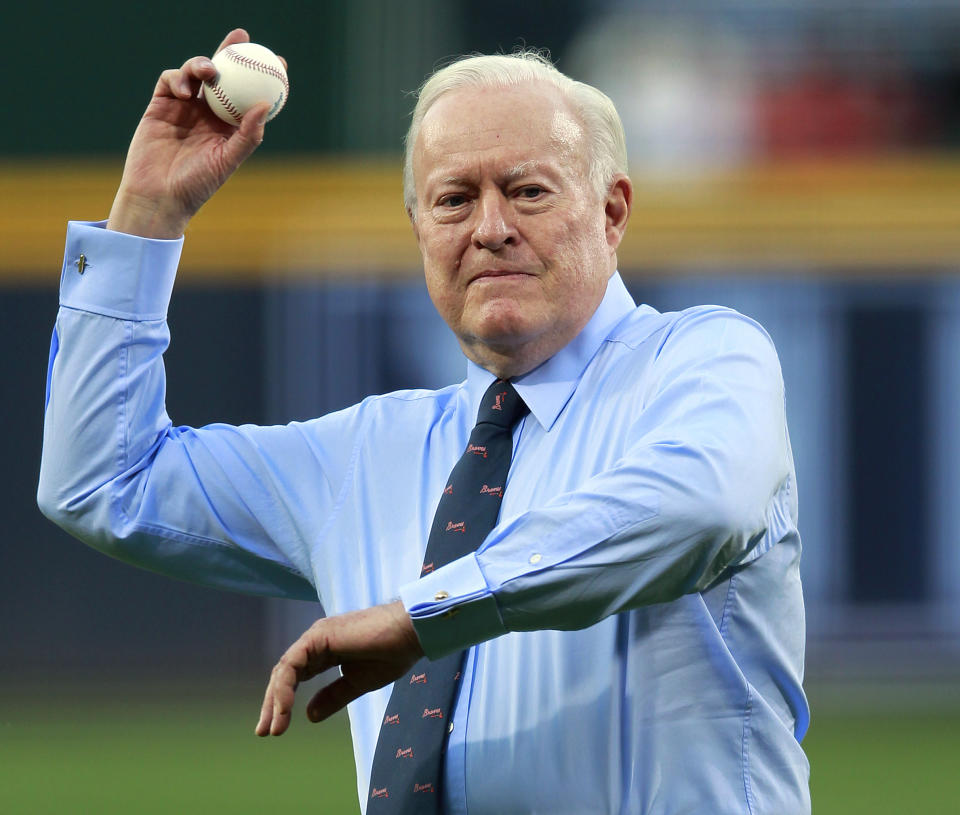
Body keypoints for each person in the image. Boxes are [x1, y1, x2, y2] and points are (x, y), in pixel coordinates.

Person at [38, 28, 811, 815]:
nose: (490, 227)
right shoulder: (373, 454)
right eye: (453, 199)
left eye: (529, 191)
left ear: (612, 211)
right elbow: (102, 480)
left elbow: (701, 506)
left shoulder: (704, 360)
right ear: (419, 232)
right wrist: (146, 213)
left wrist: (425, 615)